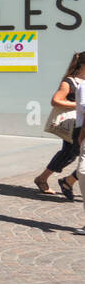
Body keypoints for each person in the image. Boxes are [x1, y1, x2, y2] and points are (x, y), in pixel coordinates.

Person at [37, 51, 85, 197]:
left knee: (71, 153)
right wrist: (77, 105)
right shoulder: (70, 81)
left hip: (79, 123)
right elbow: (56, 100)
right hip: (72, 123)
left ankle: (50, 179)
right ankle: (46, 179)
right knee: (69, 154)